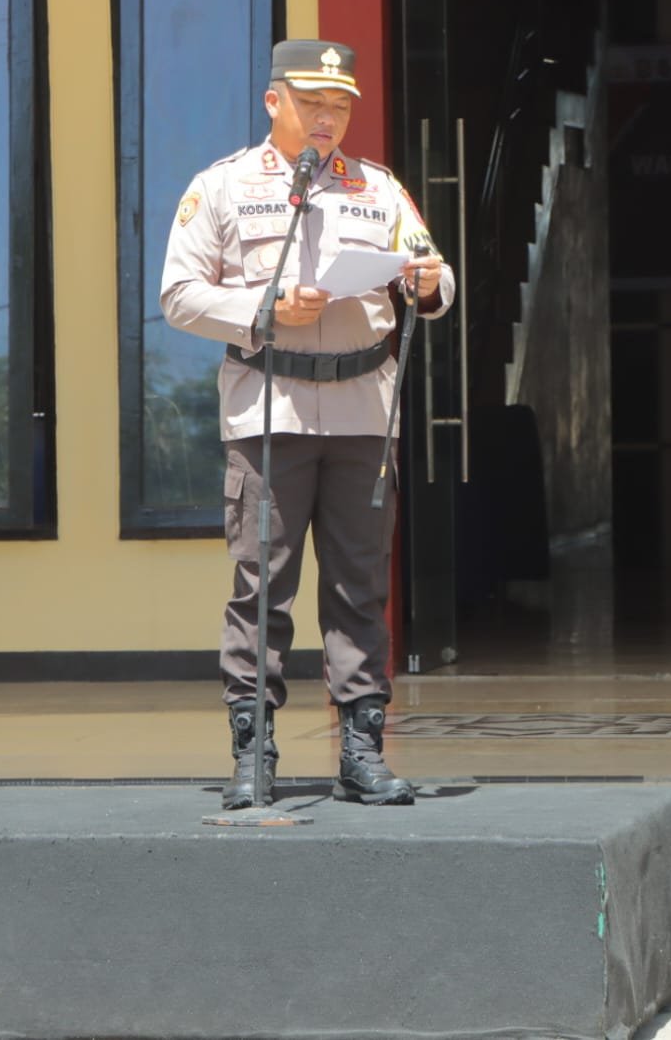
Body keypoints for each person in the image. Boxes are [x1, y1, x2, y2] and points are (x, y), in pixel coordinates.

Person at [161, 40, 454, 809]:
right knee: (263, 584)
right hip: (270, 407)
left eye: (340, 105)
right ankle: (252, 750)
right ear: (273, 102)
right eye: (312, 103)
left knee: (359, 583)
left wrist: (427, 281)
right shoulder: (222, 187)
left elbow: (435, 274)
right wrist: (265, 309)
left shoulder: (378, 189)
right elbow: (179, 295)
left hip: (363, 411)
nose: (328, 117)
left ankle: (361, 750)